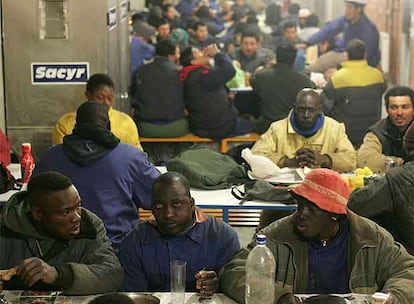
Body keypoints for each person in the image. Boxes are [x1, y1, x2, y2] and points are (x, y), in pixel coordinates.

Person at [220, 168, 414, 304]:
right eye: (300, 205)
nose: (301, 214)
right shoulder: (277, 234)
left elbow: (407, 271)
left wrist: (395, 296)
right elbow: (234, 271)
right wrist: (277, 296)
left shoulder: (371, 238)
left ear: (335, 215)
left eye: (312, 208)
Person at [34, 102, 160, 250]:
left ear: (75, 126)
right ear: (108, 126)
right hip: (119, 250)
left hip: (60, 251)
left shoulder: (51, 157)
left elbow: (32, 201)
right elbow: (160, 196)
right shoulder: (131, 157)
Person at [0, 172, 122, 294]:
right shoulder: (6, 229)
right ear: (38, 213)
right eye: (66, 212)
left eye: (78, 206)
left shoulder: (89, 226)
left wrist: (59, 274)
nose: (77, 217)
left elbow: (112, 275)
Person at [119, 172, 241, 294]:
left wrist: (218, 286)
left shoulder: (223, 237)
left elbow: (237, 288)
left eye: (176, 204)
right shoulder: (134, 242)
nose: (168, 214)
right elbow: (134, 296)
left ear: (191, 204)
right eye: (159, 205)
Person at [252, 88, 356, 172]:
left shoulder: (334, 128)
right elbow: (255, 156)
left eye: (311, 110)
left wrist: (325, 160)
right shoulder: (277, 129)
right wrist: (286, 162)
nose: (306, 115)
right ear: (294, 108)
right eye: (301, 109)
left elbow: (351, 159)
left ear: (320, 109)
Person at [349, 121, 414, 255]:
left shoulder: (401, 178)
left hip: (406, 264)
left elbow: (355, 204)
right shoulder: (378, 131)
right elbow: (365, 157)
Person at [180, 44, 253, 139]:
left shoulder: (188, 75)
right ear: (193, 62)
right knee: (253, 125)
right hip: (218, 127)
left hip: (199, 126)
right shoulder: (201, 76)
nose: (203, 53)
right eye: (199, 53)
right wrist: (217, 54)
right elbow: (229, 71)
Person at [52, 73, 142, 150]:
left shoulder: (126, 123)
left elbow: (137, 156)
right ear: (87, 95)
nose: (106, 103)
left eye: (110, 98)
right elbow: (61, 155)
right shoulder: (66, 123)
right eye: (99, 98)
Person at [323, 39, 385, 146]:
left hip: (346, 135)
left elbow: (325, 106)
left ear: (346, 55)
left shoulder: (337, 78)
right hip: (372, 133)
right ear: (365, 55)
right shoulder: (378, 76)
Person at [130, 39, 188, 137]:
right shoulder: (179, 73)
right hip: (176, 128)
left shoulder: (141, 71)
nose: (178, 56)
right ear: (170, 56)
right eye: (177, 53)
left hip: (146, 128)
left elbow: (134, 95)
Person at [251, 44, 314, 134]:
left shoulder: (261, 76)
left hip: (267, 128)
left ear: (277, 57)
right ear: (294, 59)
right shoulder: (304, 81)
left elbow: (253, 82)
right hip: (293, 128)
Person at [306, 0, 381, 68]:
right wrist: (309, 41)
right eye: (345, 7)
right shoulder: (346, 20)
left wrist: (340, 69)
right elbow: (329, 29)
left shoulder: (369, 30)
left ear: (359, 9)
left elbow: (365, 57)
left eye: (349, 7)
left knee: (329, 62)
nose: (345, 11)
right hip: (347, 56)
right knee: (323, 60)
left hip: (364, 65)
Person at [358, 86, 414, 172]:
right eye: (394, 107)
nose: (399, 113)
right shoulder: (378, 132)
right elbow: (365, 159)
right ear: (387, 110)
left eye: (405, 107)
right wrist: (399, 163)